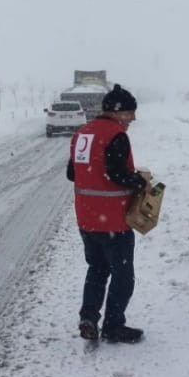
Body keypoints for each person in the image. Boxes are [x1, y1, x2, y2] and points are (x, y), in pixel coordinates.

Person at [65, 83, 147, 344]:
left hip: (87, 220)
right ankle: (113, 325)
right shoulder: (116, 135)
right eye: (130, 113)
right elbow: (117, 175)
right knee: (123, 276)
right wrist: (140, 181)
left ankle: (89, 317)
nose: (133, 119)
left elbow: (71, 173)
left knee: (97, 269)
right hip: (113, 221)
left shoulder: (82, 134)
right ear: (118, 111)